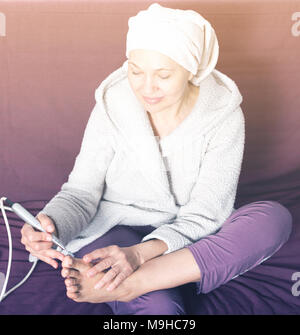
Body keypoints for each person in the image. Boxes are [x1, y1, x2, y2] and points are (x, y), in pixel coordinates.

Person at [20, 3, 293, 315]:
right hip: (115, 231)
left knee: (274, 218)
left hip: (191, 240)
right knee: (161, 309)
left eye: (163, 75)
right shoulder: (113, 103)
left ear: (192, 70)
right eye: (136, 71)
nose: (146, 88)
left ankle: (136, 283)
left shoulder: (223, 115)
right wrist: (51, 225)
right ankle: (164, 280)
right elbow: (81, 193)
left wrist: (139, 258)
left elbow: (206, 214)